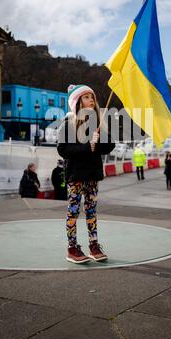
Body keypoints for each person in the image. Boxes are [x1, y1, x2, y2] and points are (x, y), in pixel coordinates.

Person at [57, 84, 115, 264]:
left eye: (92, 97)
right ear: (77, 102)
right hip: (75, 176)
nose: (91, 100)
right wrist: (86, 147)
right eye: (87, 97)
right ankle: (72, 248)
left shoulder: (97, 123)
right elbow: (63, 150)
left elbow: (109, 146)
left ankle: (94, 245)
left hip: (93, 175)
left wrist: (98, 143)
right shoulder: (67, 125)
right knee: (73, 212)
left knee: (91, 211)